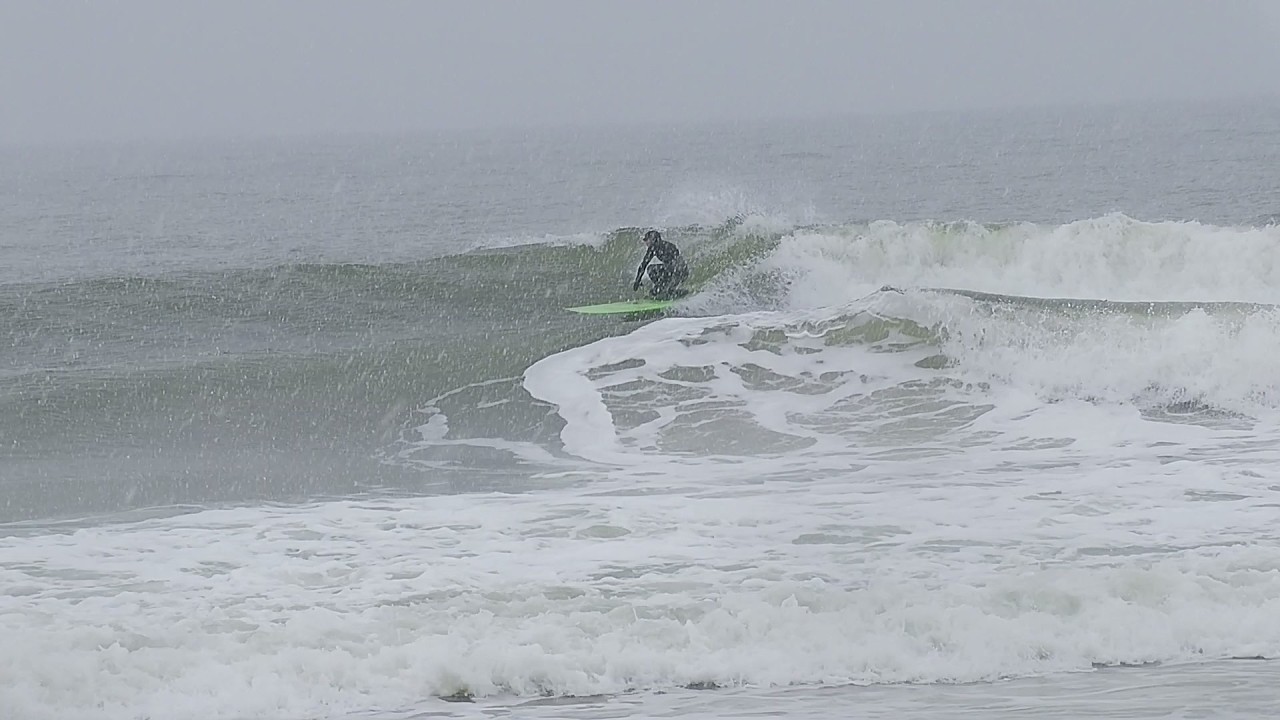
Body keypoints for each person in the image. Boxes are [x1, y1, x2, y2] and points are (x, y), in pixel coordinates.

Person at [632, 230, 689, 299]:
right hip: (681, 271)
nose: (646, 242)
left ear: (653, 239)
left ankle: (664, 289)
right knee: (666, 289)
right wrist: (638, 280)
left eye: (647, 240)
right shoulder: (664, 245)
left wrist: (637, 281)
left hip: (677, 271)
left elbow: (643, 265)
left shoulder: (655, 247)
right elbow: (643, 265)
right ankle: (672, 291)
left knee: (651, 269)